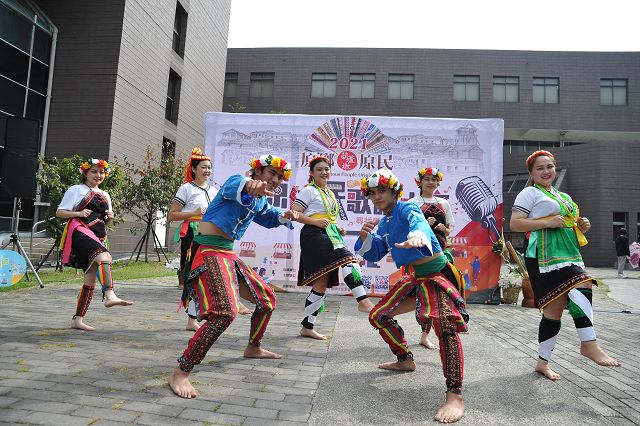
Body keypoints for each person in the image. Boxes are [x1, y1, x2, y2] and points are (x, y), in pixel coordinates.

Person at [168, 154, 300, 399]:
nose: (275, 180)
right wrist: (251, 185)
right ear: (257, 172)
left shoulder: (260, 202)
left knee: (267, 299)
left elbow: (270, 217)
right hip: (207, 251)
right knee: (225, 313)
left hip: (226, 253)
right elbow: (238, 186)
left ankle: (253, 348)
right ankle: (181, 372)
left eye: (280, 177)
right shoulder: (236, 182)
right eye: (271, 173)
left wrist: (286, 216)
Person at [355, 169, 468, 423]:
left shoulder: (407, 209)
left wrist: (418, 235)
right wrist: (364, 238)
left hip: (438, 274)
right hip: (416, 278)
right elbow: (374, 255)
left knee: (445, 326)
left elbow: (418, 222)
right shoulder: (384, 223)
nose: (376, 197)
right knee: (378, 315)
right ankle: (405, 359)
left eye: (381, 191)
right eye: (372, 193)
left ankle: (455, 395)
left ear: (395, 191)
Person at [510, 150, 620, 382]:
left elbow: (570, 224)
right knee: (584, 283)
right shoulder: (528, 193)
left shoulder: (564, 196)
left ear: (555, 169)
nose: (546, 171)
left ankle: (542, 363)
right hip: (543, 255)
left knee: (554, 309)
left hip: (568, 252)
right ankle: (589, 344)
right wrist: (547, 222)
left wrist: (583, 225)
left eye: (549, 166)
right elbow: (515, 224)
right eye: (540, 168)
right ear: (531, 173)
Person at [292, 155, 374, 340]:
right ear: (312, 173)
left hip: (329, 234)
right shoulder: (308, 191)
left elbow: (328, 218)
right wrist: (315, 222)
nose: (324, 172)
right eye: (319, 169)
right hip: (313, 235)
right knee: (349, 260)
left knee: (321, 283)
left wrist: (336, 227)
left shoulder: (329, 193)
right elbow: (294, 213)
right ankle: (362, 300)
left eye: (326, 169)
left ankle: (307, 326)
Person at [169, 148, 251, 332]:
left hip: (212, 234)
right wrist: (193, 213)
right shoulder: (186, 188)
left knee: (212, 269)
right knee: (194, 272)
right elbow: (172, 215)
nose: (207, 171)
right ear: (194, 169)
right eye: (203, 167)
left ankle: (211, 310)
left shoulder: (215, 191)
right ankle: (194, 317)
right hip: (192, 233)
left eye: (209, 168)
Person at [56, 158, 133, 331]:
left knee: (90, 278)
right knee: (104, 256)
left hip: (98, 235)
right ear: (85, 173)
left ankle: (78, 319)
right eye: (94, 172)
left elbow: (109, 224)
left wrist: (111, 217)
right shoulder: (76, 190)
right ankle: (110, 295)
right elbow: (60, 212)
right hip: (79, 229)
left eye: (101, 172)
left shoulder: (106, 195)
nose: (98, 175)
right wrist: (79, 212)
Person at [409, 166, 461, 350]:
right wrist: (424, 222)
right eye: (427, 179)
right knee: (423, 293)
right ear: (420, 182)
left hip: (441, 250)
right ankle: (425, 331)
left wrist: (442, 229)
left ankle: (428, 335)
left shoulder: (443, 203)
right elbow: (409, 229)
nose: (431, 182)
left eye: (434, 179)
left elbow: (448, 230)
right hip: (422, 253)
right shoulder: (413, 203)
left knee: (441, 291)